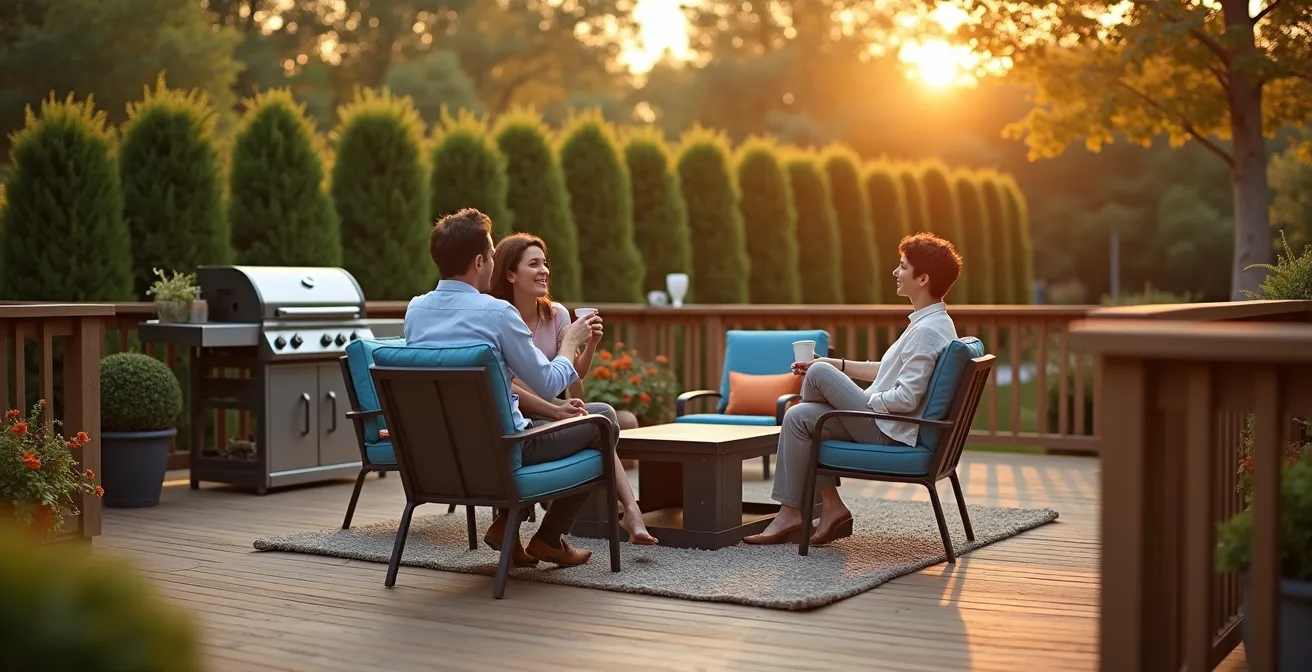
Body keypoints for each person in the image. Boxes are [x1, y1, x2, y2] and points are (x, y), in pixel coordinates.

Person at [404, 208, 608, 568]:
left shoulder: (416, 310)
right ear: (480, 262)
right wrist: (571, 341)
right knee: (604, 419)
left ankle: (508, 529)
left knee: (531, 418)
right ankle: (548, 538)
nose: (496, 264)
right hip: (504, 453)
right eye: (494, 257)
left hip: (436, 457)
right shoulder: (497, 313)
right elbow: (548, 381)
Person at [744, 232, 963, 546]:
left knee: (815, 374)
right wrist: (837, 365)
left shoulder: (927, 331)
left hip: (889, 431)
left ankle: (799, 511)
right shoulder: (928, 323)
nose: (895, 273)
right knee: (800, 416)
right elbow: (885, 371)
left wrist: (863, 399)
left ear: (923, 278)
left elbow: (907, 397)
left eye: (902, 267)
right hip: (885, 422)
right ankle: (818, 508)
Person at [489, 232, 658, 545]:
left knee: (597, 422)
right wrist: (555, 410)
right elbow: (507, 385)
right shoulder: (499, 319)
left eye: (545, 263)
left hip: (543, 410)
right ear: (510, 273)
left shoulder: (555, 315)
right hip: (519, 415)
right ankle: (615, 516)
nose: (545, 270)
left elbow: (573, 372)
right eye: (534, 264)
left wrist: (590, 343)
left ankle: (628, 511)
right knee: (601, 423)